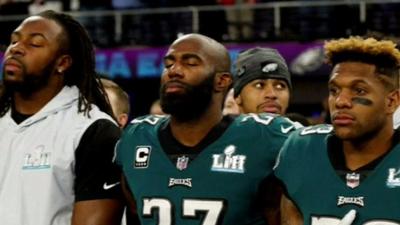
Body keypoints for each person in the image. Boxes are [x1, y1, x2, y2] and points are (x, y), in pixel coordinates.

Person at [115, 33, 300, 225]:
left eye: (191, 63)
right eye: (169, 64)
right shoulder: (137, 137)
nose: (174, 71)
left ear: (222, 81)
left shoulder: (265, 135)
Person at [0, 10, 124, 225]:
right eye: (14, 41)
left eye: (35, 44)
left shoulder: (93, 130)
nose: (16, 49)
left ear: (63, 63)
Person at [274, 36, 400, 225]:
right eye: (334, 90)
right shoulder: (301, 150)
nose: (341, 101)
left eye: (359, 91)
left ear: (391, 101)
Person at [233, 47, 291, 115]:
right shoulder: (223, 125)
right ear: (238, 97)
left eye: (280, 86)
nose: (271, 94)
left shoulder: (302, 126)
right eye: (259, 85)